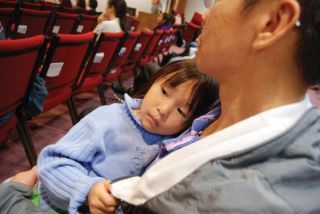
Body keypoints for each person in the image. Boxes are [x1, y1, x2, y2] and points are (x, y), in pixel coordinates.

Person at [2, 0, 320, 213]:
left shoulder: (241, 195)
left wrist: (11, 199)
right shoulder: (220, 115)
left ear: (273, 21)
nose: (206, 15)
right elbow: (55, 165)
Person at [36, 59, 220, 213]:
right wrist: (88, 189)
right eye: (164, 92)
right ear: (153, 82)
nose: (163, 110)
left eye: (180, 111)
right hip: (59, 205)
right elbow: (52, 163)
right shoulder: (107, 119)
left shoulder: (171, 144)